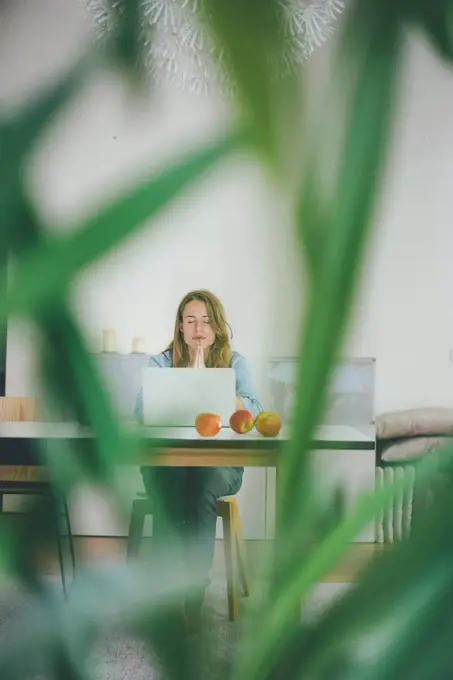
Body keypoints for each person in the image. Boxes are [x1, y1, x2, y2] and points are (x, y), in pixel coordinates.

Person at [135, 289, 263, 630]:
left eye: (206, 320)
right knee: (173, 480)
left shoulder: (236, 363)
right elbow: (140, 411)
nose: (198, 328)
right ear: (179, 326)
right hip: (168, 464)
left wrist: (211, 383)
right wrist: (182, 381)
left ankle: (193, 592)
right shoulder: (160, 362)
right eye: (190, 320)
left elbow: (255, 411)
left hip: (219, 467)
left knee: (202, 481)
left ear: (218, 327)